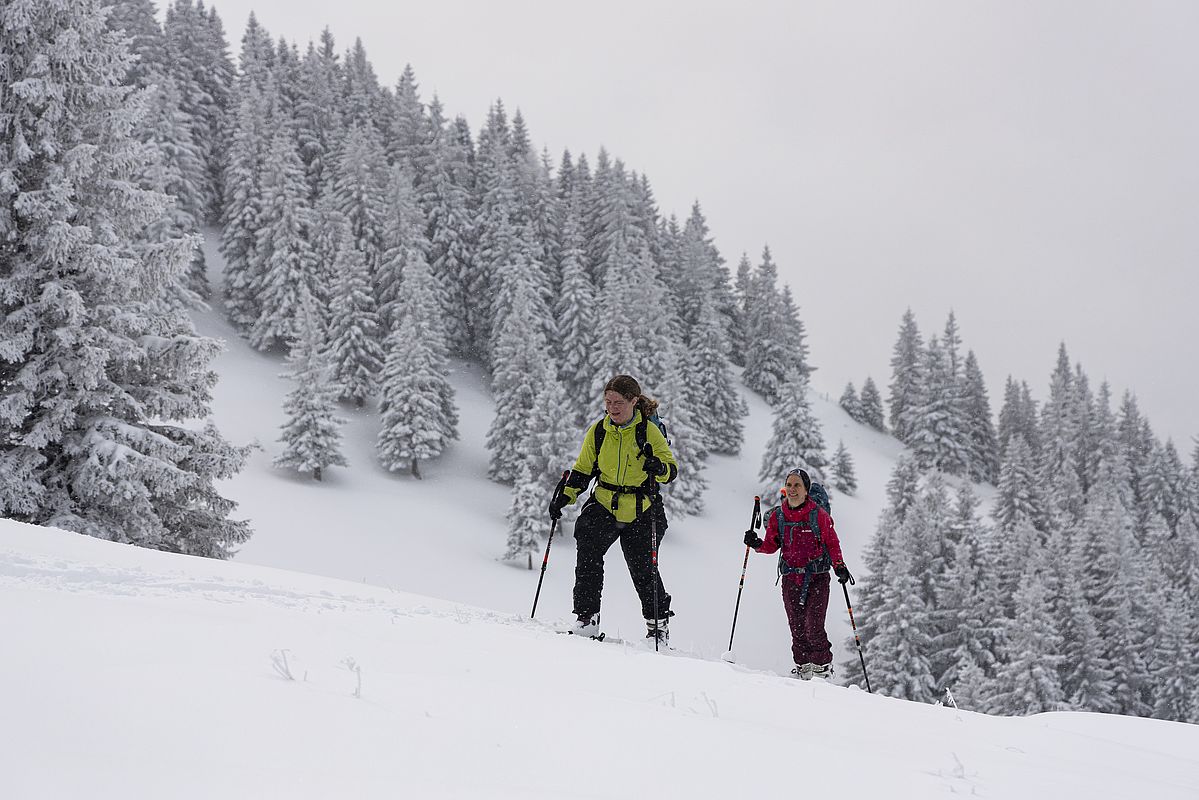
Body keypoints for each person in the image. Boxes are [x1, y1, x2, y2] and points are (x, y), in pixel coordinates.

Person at [549, 375, 678, 644]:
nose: (612, 408)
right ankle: (587, 619)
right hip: (605, 502)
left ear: (634, 401)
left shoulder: (648, 432)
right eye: (608, 402)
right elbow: (583, 469)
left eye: (618, 402)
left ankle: (658, 627)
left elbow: (671, 470)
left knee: (643, 568)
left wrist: (659, 467)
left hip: (642, 507)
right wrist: (565, 496)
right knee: (588, 551)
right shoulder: (599, 431)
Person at [744, 467, 854, 679]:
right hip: (790, 577)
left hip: (818, 577)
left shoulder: (818, 515)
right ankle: (803, 669)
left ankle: (822, 669)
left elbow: (832, 542)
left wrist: (839, 565)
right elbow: (771, 545)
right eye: (789, 484)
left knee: (814, 625)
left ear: (806, 490)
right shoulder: (778, 517)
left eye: (797, 485)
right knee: (796, 626)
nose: (792, 489)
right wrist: (757, 544)